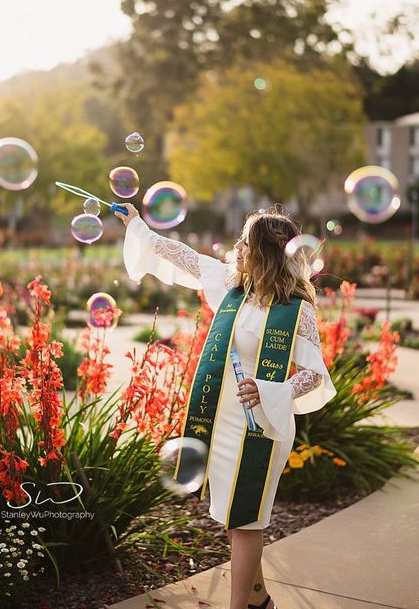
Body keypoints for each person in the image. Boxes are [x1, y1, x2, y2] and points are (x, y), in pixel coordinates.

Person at [114, 203, 336, 609]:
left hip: (261, 425)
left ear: (264, 254)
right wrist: (136, 225)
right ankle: (260, 600)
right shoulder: (230, 285)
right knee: (236, 516)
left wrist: (271, 390)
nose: (236, 247)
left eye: (244, 242)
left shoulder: (295, 310)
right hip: (220, 418)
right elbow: (176, 253)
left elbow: (314, 374)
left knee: (245, 519)